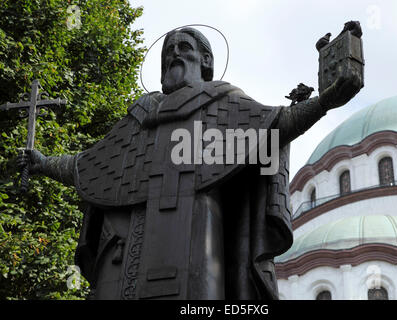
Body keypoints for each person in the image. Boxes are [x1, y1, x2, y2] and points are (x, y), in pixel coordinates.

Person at [17, 27, 362, 299]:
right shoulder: (138, 116)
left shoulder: (225, 105)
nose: (174, 55)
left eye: (184, 48)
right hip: (122, 257)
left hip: (197, 243)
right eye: (168, 51)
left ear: (206, 61)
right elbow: (92, 166)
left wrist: (326, 100)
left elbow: (275, 125)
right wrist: (44, 162)